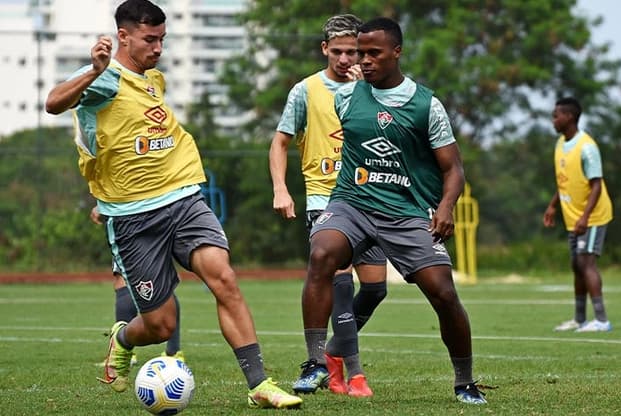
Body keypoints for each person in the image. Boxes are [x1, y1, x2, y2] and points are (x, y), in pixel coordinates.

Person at [45, 0, 302, 409]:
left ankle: (259, 384)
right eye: (150, 39)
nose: (158, 48)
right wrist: (94, 71)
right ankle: (123, 337)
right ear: (123, 36)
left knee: (224, 278)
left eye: (163, 39)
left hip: (183, 196)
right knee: (161, 325)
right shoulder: (103, 77)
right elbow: (54, 102)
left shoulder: (154, 80)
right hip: (133, 217)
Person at [302, 16, 487, 405]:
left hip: (407, 212)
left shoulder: (426, 105)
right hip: (352, 203)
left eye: (373, 53)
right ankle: (316, 362)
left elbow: (453, 168)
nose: (363, 60)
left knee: (443, 293)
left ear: (397, 53)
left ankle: (465, 381)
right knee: (322, 252)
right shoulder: (347, 97)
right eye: (359, 53)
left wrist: (446, 207)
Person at [269, 14, 387, 397]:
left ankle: (331, 354)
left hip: (370, 198)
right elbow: (281, 142)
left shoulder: (374, 88)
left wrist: (364, 95)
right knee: (339, 281)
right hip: (326, 199)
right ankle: (344, 372)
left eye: (352, 51)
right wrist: (280, 189)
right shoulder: (305, 91)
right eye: (337, 51)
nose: (345, 59)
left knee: (375, 289)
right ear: (324, 49)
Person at [544, 97, 613, 333]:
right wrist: (553, 205)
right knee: (577, 265)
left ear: (569, 117)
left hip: (593, 216)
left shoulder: (587, 147)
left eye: (556, 115)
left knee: (586, 263)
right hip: (574, 218)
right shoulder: (560, 144)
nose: (553, 120)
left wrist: (585, 217)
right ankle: (580, 319)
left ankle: (602, 320)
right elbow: (565, 181)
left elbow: (596, 185)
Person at [89, 206, 183, 363]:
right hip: (165, 211)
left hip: (132, 215)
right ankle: (174, 352)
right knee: (162, 283)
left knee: (122, 278)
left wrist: (104, 205)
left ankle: (124, 354)